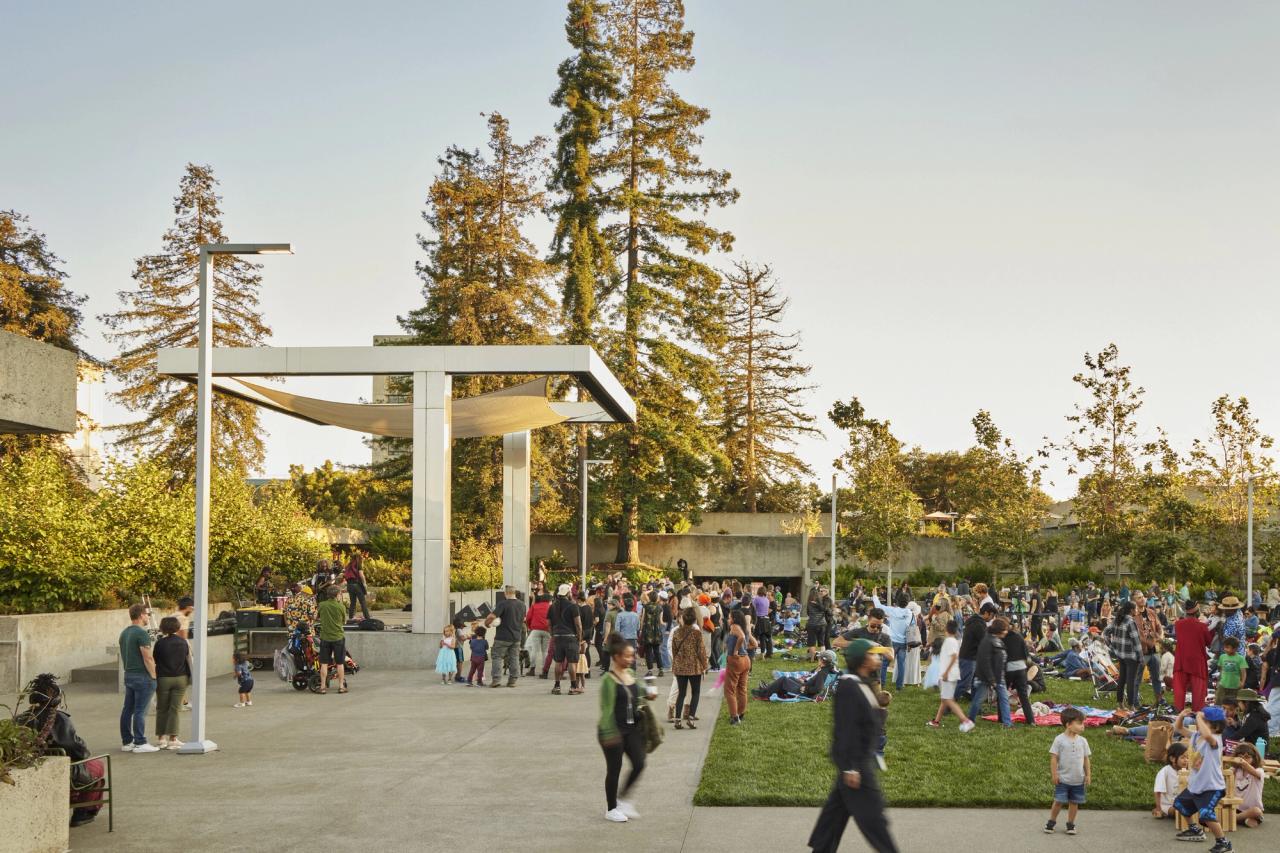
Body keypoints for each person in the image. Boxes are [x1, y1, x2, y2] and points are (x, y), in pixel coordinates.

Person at [806, 638, 899, 853]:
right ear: (863, 660)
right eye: (873, 654)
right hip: (857, 765)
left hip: (856, 762)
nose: (878, 657)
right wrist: (850, 767)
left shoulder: (862, 682)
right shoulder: (849, 685)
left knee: (833, 818)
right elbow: (845, 728)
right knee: (875, 821)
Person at [18, 674, 106, 827]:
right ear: (56, 699)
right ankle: (83, 812)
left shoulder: (20, 719)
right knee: (97, 766)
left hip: (29, 767)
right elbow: (78, 750)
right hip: (63, 770)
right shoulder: (60, 719)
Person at [598, 634, 645, 823]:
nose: (631, 659)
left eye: (632, 656)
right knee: (614, 770)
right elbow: (606, 710)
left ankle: (623, 799)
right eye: (627, 656)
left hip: (631, 728)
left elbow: (639, 694)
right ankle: (611, 809)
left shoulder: (631, 675)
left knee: (639, 763)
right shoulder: (608, 681)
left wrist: (647, 694)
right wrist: (610, 734)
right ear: (616, 657)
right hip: (612, 731)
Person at [1171, 706, 1230, 850]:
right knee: (1180, 804)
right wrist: (1182, 716)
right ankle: (1195, 830)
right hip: (1196, 785)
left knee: (1205, 813)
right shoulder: (1196, 736)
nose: (1200, 724)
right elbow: (1178, 728)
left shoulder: (1215, 739)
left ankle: (1223, 843)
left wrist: (1198, 717)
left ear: (1216, 726)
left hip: (1212, 787)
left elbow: (1208, 735)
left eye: (1205, 722)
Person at [1043, 706, 1091, 835]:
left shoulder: (1083, 741)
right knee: (1058, 801)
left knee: (1074, 803)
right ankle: (1051, 822)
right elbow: (1054, 758)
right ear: (1068, 725)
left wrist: (1088, 775)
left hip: (1078, 780)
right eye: (1080, 723)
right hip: (1063, 779)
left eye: (1083, 723)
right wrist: (1054, 774)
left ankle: (1070, 824)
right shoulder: (1059, 740)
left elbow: (1086, 759)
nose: (1083, 726)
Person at [119, 603, 159, 753]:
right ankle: (140, 742)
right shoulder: (142, 634)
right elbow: (147, 657)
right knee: (140, 711)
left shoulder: (124, 633)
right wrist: (154, 676)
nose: (148, 617)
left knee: (127, 709)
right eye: (147, 614)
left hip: (129, 674)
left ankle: (127, 741)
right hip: (142, 676)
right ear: (141, 615)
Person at [928, 621, 974, 732]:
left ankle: (965, 721)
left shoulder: (949, 641)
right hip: (951, 674)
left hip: (948, 675)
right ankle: (936, 721)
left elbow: (954, 656)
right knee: (945, 699)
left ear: (946, 629)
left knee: (948, 700)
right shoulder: (954, 641)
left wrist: (946, 673)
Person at [151, 616, 189, 749]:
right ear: (177, 627)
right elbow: (187, 657)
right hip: (180, 677)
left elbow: (155, 659)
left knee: (162, 708)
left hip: (163, 678)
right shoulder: (183, 642)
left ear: (163, 628)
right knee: (175, 709)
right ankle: (173, 738)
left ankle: (161, 738)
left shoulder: (160, 643)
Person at [969, 616, 1011, 727]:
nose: (1007, 632)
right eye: (1005, 629)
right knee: (978, 700)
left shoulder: (997, 640)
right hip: (988, 678)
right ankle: (970, 720)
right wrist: (991, 679)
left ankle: (1007, 723)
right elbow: (985, 661)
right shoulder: (987, 641)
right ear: (999, 630)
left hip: (998, 676)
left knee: (1004, 698)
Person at [671, 606, 707, 729]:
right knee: (695, 692)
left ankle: (677, 719)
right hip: (694, 667)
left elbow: (674, 650)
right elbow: (701, 651)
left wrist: (676, 663)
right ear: (694, 620)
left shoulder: (676, 632)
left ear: (683, 619)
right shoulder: (697, 633)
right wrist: (705, 666)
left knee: (681, 693)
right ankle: (691, 718)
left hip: (680, 666)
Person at [1173, 601, 1213, 712]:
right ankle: (1197, 713)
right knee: (1198, 692)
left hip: (1181, 661)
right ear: (1197, 611)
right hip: (1197, 662)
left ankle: (1178, 711)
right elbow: (1208, 642)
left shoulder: (1178, 624)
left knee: (1179, 690)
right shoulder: (1202, 626)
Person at [1104, 601, 1142, 712]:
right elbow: (1136, 641)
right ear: (1131, 610)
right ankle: (1131, 706)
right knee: (1131, 681)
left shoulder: (1117, 619)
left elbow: (1105, 633)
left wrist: (1112, 647)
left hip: (1120, 655)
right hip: (1131, 656)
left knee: (1121, 680)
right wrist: (1140, 657)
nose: (1136, 610)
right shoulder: (1130, 621)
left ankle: (1120, 704)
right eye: (1135, 608)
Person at [484, 586, 526, 688]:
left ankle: (496, 680)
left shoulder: (503, 604)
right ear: (515, 593)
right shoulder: (522, 605)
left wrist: (487, 623)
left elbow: (492, 616)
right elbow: (523, 619)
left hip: (502, 637)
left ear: (505, 593)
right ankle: (512, 681)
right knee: (514, 658)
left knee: (497, 657)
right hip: (516, 637)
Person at [871, 590, 913, 691]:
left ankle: (882, 683)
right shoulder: (909, 613)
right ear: (907, 602)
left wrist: (875, 595)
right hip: (903, 642)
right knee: (901, 665)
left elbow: (879, 606)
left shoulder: (893, 611)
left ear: (897, 601)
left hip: (891, 641)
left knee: (884, 663)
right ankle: (899, 687)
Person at [548, 583, 584, 695]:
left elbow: (548, 624)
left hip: (557, 636)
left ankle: (557, 686)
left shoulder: (552, 606)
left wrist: (553, 635)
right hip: (570, 637)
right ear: (568, 593)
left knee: (558, 662)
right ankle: (573, 687)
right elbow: (578, 624)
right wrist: (579, 638)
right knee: (572, 662)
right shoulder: (573, 606)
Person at [957, 603, 997, 700]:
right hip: (969, 657)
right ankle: (948, 704)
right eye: (992, 615)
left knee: (975, 683)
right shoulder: (978, 623)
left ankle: (976, 705)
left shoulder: (975, 621)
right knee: (964, 683)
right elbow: (984, 641)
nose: (992, 619)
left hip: (971, 656)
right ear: (986, 613)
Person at [1133, 591, 1165, 706]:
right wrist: (1148, 642)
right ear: (1134, 601)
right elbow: (1135, 635)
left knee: (1157, 678)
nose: (1142, 599)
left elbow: (1159, 627)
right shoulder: (1133, 615)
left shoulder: (1151, 612)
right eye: (1139, 598)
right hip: (1141, 652)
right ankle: (1134, 703)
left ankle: (1160, 700)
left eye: (1142, 597)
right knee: (1136, 679)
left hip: (1155, 650)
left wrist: (1160, 637)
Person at [316, 587, 348, 694]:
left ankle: (322, 687)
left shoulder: (322, 605)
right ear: (337, 595)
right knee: (339, 663)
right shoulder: (341, 607)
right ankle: (341, 686)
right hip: (338, 637)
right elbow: (344, 621)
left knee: (324, 663)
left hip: (325, 637)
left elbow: (317, 617)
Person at [1003, 623, 1037, 725]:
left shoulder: (1003, 638)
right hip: (1021, 668)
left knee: (1003, 693)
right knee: (1024, 696)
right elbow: (1026, 655)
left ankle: (1002, 717)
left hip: (1009, 668)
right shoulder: (1019, 637)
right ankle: (1031, 720)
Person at [724, 609, 754, 725]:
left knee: (729, 690)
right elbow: (755, 644)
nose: (728, 620)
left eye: (730, 617)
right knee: (742, 688)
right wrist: (744, 650)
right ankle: (741, 713)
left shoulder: (734, 627)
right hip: (746, 660)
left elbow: (741, 637)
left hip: (736, 660)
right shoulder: (745, 628)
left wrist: (736, 650)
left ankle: (734, 717)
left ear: (734, 619)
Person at [1231, 742, 1265, 829]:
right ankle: (1241, 819)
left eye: (1247, 757)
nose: (1244, 760)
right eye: (1241, 757)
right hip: (1237, 808)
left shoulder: (1259, 771)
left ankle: (1231, 819)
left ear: (1254, 758)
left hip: (1251, 809)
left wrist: (1243, 762)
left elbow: (1253, 771)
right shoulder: (1236, 770)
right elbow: (1226, 773)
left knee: (1257, 811)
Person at [1153, 742, 1190, 818]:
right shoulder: (1165, 771)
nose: (1186, 760)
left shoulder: (1187, 771)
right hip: (1168, 805)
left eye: (1187, 757)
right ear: (1172, 759)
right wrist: (1158, 808)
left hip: (1182, 801)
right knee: (1178, 811)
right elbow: (1158, 791)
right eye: (1182, 757)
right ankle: (1161, 811)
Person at [524, 592, 551, 678]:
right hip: (547, 630)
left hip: (535, 629)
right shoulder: (551, 607)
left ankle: (532, 669)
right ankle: (544, 670)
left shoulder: (535, 606)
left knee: (534, 650)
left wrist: (529, 627)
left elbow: (528, 617)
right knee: (545, 651)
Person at [1215, 636, 1246, 706]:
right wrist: (1218, 681)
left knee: (1232, 703)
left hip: (1235, 686)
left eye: (1228, 647)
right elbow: (1222, 670)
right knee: (1218, 701)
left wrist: (1242, 682)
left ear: (1235, 649)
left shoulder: (1240, 658)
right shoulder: (1222, 657)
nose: (1225, 649)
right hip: (1223, 684)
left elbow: (1243, 672)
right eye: (1225, 647)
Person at [343, 549, 372, 621]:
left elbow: (345, 575)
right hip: (356, 585)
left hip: (349, 585)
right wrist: (364, 584)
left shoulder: (348, 565)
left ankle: (351, 617)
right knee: (362, 601)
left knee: (353, 602)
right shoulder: (358, 564)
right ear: (359, 558)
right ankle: (367, 617)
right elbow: (361, 575)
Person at [640, 590, 664, 677]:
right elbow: (661, 622)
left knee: (648, 651)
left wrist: (641, 630)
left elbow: (642, 619)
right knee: (657, 651)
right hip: (657, 631)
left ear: (649, 598)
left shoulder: (645, 607)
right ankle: (660, 669)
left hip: (648, 631)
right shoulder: (660, 607)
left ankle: (650, 670)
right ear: (657, 598)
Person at [613, 596, 640, 668]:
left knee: (622, 655)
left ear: (624, 606)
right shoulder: (636, 615)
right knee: (632, 655)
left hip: (622, 638)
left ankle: (623, 670)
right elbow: (638, 628)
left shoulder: (620, 615)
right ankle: (633, 671)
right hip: (633, 638)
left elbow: (617, 629)